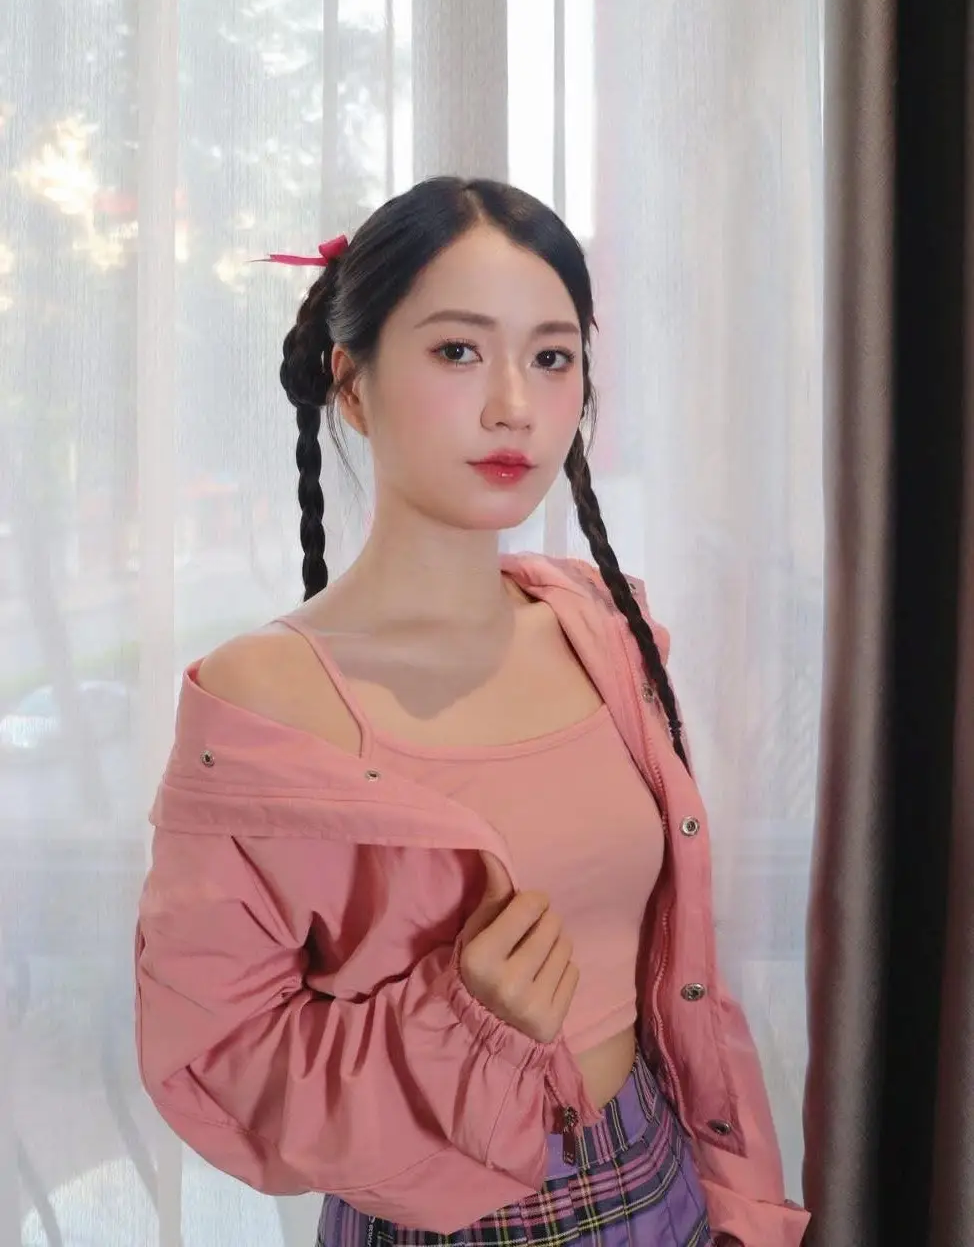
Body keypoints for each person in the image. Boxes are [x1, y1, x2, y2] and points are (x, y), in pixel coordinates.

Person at [134, 176, 809, 1246]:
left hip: (661, 1176)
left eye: (552, 357)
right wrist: (464, 1021)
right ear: (350, 384)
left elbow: (675, 973)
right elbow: (215, 1066)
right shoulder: (266, 698)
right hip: (449, 1219)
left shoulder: (600, 628)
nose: (514, 405)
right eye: (458, 351)